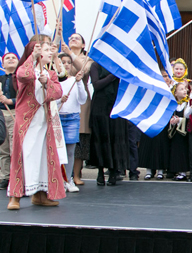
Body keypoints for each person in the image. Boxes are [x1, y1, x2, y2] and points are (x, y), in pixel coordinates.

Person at [7, 41, 65, 210]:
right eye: (45, 50)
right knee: (23, 155)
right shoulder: (26, 70)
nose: (49, 52)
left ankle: (40, 195)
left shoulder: (50, 74)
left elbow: (57, 93)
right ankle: (15, 197)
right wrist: (32, 58)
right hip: (27, 121)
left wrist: (47, 82)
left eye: (49, 49)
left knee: (42, 159)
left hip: (43, 122)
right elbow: (23, 76)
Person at [89, 60, 128, 186]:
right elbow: (96, 85)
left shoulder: (118, 65)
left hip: (115, 104)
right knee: (101, 138)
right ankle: (100, 172)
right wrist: (112, 76)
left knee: (115, 138)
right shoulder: (95, 65)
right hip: (99, 106)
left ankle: (113, 171)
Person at [57, 54, 88, 192]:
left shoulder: (75, 81)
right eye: (63, 62)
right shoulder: (53, 81)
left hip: (72, 118)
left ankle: (68, 179)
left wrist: (80, 82)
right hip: (57, 117)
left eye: (68, 62)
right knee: (58, 151)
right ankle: (58, 180)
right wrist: (59, 100)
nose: (66, 65)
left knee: (70, 150)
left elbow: (82, 99)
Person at [0, 53, 19, 190]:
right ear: (3, 64)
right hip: (1, 114)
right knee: (3, 148)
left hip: (15, 113)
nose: (11, 60)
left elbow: (26, 96)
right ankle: (4, 176)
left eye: (13, 58)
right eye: (7, 58)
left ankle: (16, 176)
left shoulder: (20, 79)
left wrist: (10, 101)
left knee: (15, 147)